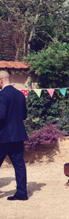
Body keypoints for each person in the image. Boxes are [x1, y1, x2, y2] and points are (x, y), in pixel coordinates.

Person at [0, 70, 29, 201]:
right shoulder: (20, 94)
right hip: (17, 136)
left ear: (1, 80)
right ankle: (22, 193)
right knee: (19, 165)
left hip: (3, 136)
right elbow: (24, 115)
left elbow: (1, 116)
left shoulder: (2, 95)